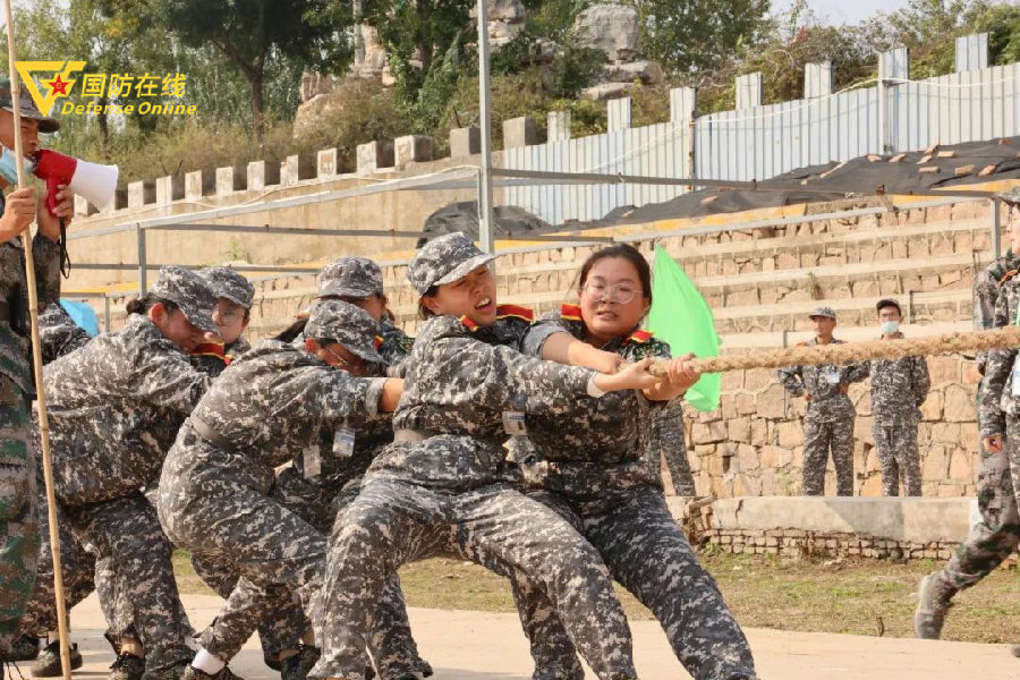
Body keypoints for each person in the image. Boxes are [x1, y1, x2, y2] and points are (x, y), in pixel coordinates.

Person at [310, 232, 662, 680]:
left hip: (483, 491)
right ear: (433, 303)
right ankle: (338, 670)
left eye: (483, 275)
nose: (481, 288)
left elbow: (542, 337)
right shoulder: (440, 343)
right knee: (356, 534)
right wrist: (600, 381)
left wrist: (602, 362)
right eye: (462, 284)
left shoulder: (507, 328)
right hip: (408, 485)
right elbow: (513, 374)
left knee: (569, 553)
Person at [506, 243, 756, 680]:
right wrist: (609, 368)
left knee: (688, 586)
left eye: (624, 290)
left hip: (625, 501)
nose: (607, 298)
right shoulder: (547, 331)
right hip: (547, 495)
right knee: (547, 594)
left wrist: (674, 382)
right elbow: (551, 346)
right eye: (598, 286)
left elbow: (654, 387)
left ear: (644, 305)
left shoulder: (649, 350)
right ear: (580, 291)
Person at [157, 300, 404, 680]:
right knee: (324, 564)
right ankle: (339, 669)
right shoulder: (290, 372)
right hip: (209, 493)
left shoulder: (286, 361)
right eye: (347, 358)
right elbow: (372, 394)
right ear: (313, 346)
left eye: (361, 361)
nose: (354, 369)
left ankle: (204, 669)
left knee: (268, 574)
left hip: (214, 488)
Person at [45, 267, 218, 680]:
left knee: (143, 538)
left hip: (97, 487)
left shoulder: (165, 349)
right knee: (46, 583)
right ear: (159, 313)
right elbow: (208, 400)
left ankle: (171, 661)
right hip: (46, 483)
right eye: (191, 324)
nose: (201, 335)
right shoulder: (142, 348)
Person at [916, 188, 1020, 638]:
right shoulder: (1002, 280)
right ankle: (942, 586)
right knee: (1003, 520)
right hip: (1011, 412)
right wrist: (990, 423)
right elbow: (994, 357)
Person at [0, 77, 73, 660]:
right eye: (20, 121)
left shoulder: (17, 185)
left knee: (18, 518)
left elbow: (39, 299)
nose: (31, 136)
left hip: (11, 380)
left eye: (36, 126)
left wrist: (50, 235)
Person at [777, 307, 867, 496]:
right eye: (815, 320)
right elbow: (783, 372)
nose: (819, 324)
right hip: (816, 413)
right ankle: (813, 506)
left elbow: (865, 366)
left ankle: (846, 503)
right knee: (812, 462)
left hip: (840, 412)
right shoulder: (804, 350)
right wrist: (801, 391)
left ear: (833, 323)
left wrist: (847, 380)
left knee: (843, 462)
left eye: (824, 320)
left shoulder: (843, 348)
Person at [864, 299, 929, 497]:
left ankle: (915, 520)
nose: (888, 319)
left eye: (892, 315)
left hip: (904, 421)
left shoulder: (911, 349)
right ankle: (890, 523)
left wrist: (907, 404)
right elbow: (856, 371)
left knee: (910, 472)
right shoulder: (872, 350)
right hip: (881, 422)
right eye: (884, 316)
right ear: (878, 320)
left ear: (900, 318)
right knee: (887, 473)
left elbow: (922, 383)